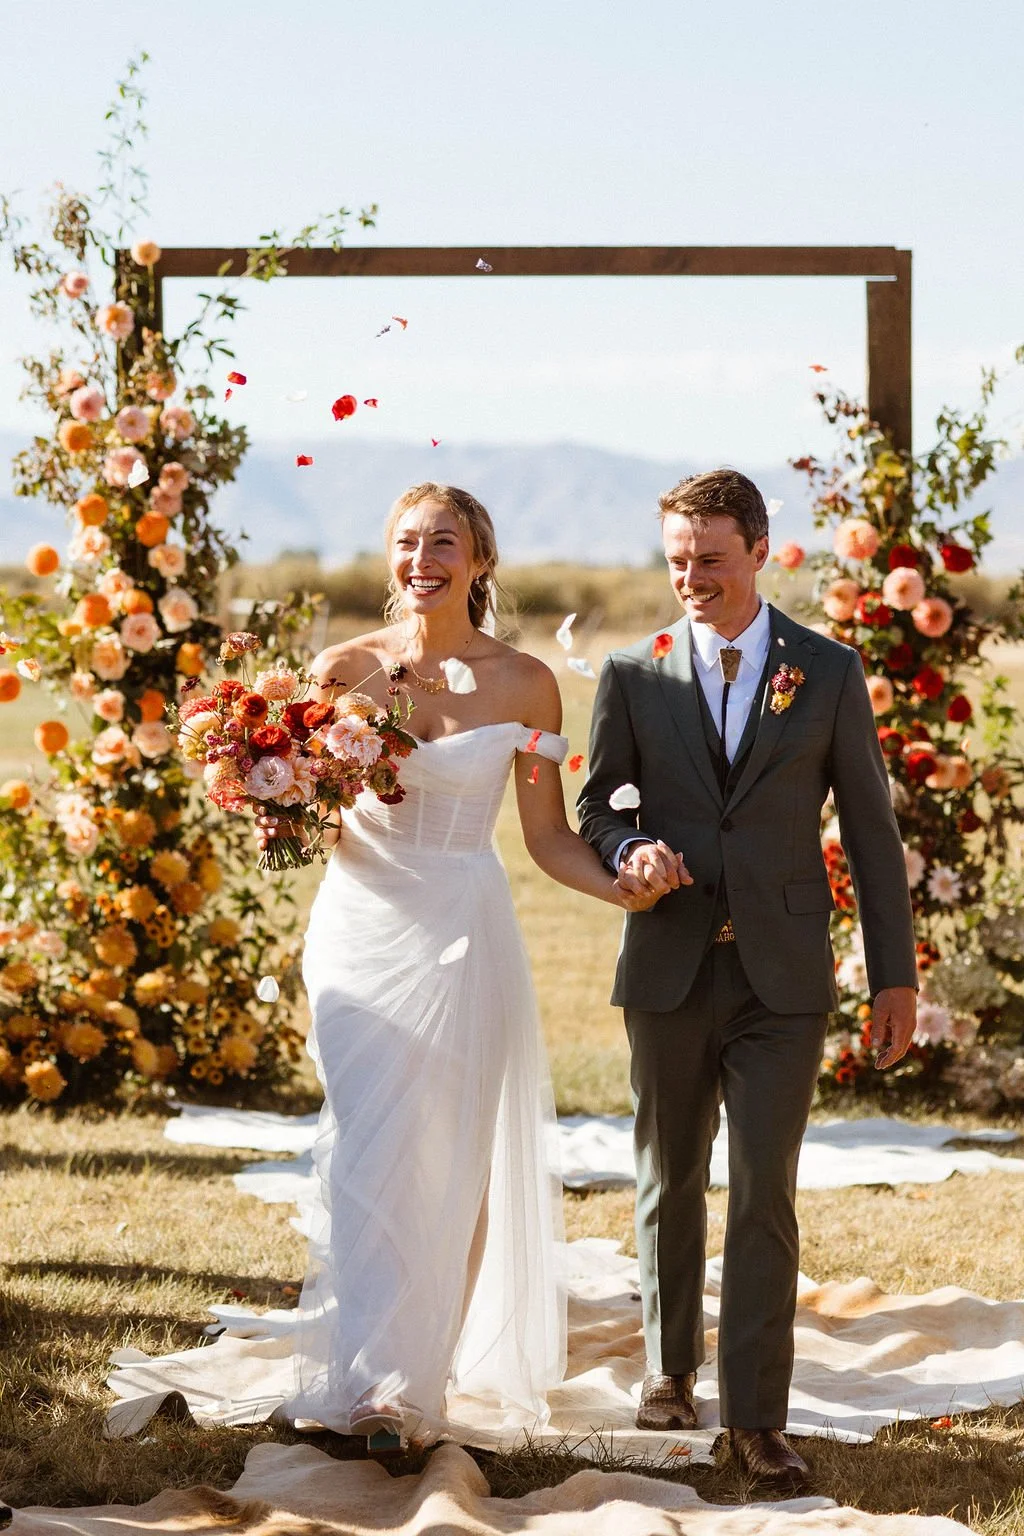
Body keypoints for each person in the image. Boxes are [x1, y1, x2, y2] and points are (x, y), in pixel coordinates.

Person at [258, 481, 659, 1442]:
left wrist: (623, 886)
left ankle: (414, 1382)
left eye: (445, 540)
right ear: (390, 555)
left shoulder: (526, 683)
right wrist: (265, 789)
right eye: (407, 540)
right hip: (359, 925)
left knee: (454, 1157)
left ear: (479, 559)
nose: (423, 556)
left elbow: (549, 837)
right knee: (366, 1143)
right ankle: (363, 1378)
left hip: (465, 925)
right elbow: (303, 816)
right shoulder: (341, 670)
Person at [577, 468, 918, 1492]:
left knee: (763, 1189)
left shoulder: (825, 670)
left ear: (759, 552)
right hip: (668, 968)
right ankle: (670, 1371)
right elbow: (596, 808)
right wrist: (628, 849)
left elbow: (869, 830)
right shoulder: (632, 673)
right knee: (667, 1176)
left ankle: (760, 1418)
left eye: (710, 560)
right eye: (676, 560)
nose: (690, 578)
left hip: (783, 978)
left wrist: (893, 978)